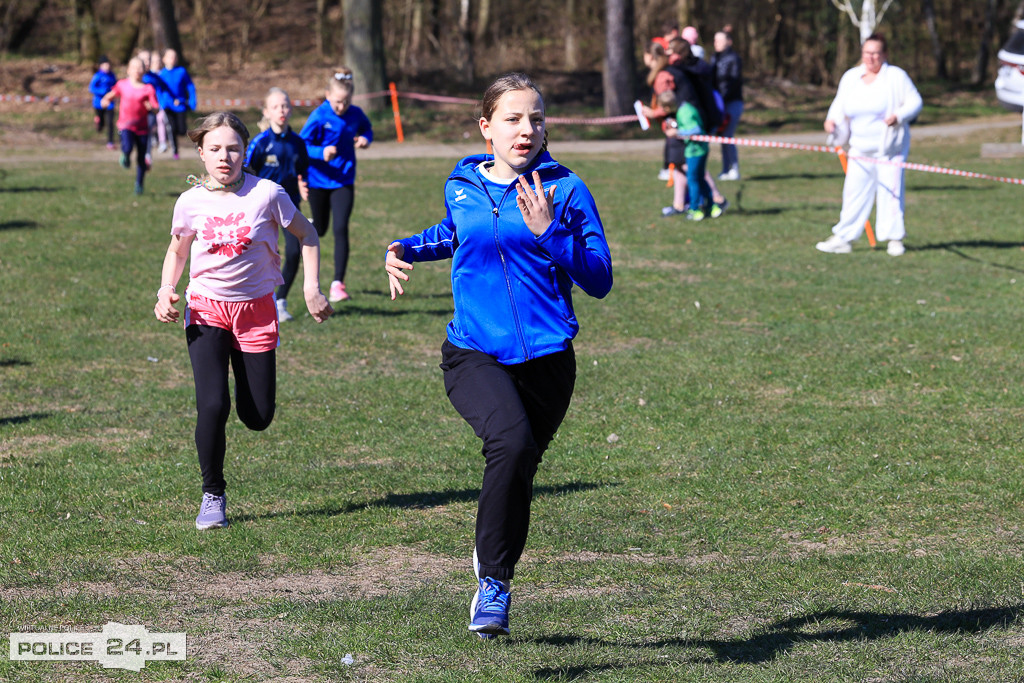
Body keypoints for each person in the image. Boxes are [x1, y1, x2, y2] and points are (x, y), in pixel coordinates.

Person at [384, 73, 612, 639]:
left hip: (548, 362)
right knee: (509, 443)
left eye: (536, 118)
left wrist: (551, 233)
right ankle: (493, 584)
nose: (526, 130)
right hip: (473, 351)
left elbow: (600, 277)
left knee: (517, 467)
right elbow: (457, 232)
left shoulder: (565, 188)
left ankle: (496, 577)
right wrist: (405, 247)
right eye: (512, 119)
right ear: (486, 127)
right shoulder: (462, 180)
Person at [154, 111, 332, 531]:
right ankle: (212, 495)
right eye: (214, 148)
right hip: (206, 308)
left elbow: (307, 236)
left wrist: (311, 288)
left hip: (256, 311)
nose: (224, 156)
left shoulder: (268, 194)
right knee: (213, 404)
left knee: (258, 416)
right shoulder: (190, 201)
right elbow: (178, 251)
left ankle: (242, 386)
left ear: (245, 151)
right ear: (200, 153)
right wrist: (165, 290)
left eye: (233, 148)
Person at [816, 33, 922, 257]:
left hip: (889, 150)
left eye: (876, 53)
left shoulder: (895, 76)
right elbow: (839, 105)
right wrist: (831, 122)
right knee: (853, 193)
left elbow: (915, 102)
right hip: (859, 149)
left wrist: (898, 116)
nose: (871, 58)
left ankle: (894, 239)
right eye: (867, 53)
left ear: (884, 54)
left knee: (891, 194)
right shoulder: (851, 77)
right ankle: (844, 238)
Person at [299, 68, 373, 303]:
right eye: (338, 102)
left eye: (346, 102)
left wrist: (365, 139)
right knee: (320, 229)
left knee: (341, 228)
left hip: (343, 180)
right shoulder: (319, 116)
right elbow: (301, 146)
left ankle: (337, 284)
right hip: (319, 181)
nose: (341, 107)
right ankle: (305, 226)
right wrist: (321, 152)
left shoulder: (356, 114)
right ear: (328, 95)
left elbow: (367, 128)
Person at [245, 87, 311, 322]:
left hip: (289, 205)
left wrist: (305, 187)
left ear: (290, 109)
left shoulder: (298, 143)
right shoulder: (259, 143)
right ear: (267, 112)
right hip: (260, 207)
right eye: (275, 107)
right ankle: (253, 299)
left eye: (284, 105)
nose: (281, 110)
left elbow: (304, 171)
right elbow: (245, 170)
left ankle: (280, 300)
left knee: (294, 252)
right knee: (260, 253)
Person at [660, 88, 724, 221]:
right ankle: (712, 206)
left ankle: (695, 210)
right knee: (700, 178)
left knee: (692, 179)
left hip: (695, 150)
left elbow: (695, 129)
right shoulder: (685, 108)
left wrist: (676, 132)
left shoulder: (684, 112)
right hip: (700, 148)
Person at [100, 57, 158, 195]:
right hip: (125, 125)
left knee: (141, 158)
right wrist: (105, 100)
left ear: (144, 70)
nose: (137, 70)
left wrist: (151, 107)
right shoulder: (122, 84)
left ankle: (139, 184)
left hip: (142, 128)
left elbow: (156, 107)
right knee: (127, 146)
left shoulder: (148, 88)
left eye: (140, 67)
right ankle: (125, 155)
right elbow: (110, 95)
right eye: (134, 67)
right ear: (128, 70)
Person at [712, 28, 744, 180]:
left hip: (731, 103)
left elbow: (732, 82)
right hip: (719, 104)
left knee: (727, 135)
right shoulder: (714, 59)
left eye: (719, 39)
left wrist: (722, 100)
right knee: (722, 137)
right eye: (714, 40)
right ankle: (725, 169)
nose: (716, 43)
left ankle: (734, 169)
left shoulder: (733, 59)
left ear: (728, 42)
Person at [159, 49, 197, 160]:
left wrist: (192, 101)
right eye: (170, 57)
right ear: (164, 59)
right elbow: (159, 91)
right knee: (172, 128)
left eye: (174, 57)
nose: (172, 59)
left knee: (181, 130)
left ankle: (174, 140)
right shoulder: (162, 74)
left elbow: (190, 86)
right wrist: (163, 103)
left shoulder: (181, 71)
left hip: (180, 105)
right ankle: (175, 151)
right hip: (168, 106)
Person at [88, 55, 117, 149]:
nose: (107, 67)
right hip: (98, 103)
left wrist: (114, 92)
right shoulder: (97, 76)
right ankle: (98, 122)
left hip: (110, 103)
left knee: (110, 123)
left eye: (108, 65)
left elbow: (116, 86)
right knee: (102, 123)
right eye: (105, 65)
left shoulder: (112, 75)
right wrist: (102, 91)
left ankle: (110, 142)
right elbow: (91, 88)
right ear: (100, 66)